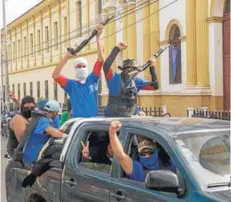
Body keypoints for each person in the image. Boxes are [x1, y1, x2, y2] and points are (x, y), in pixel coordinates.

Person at [52, 24, 104, 118]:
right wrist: (66, 57)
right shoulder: (71, 85)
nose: (82, 68)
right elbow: (55, 75)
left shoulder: (92, 79)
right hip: (78, 124)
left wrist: (98, 38)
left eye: (84, 66)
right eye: (79, 66)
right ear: (75, 68)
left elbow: (100, 59)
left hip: (94, 122)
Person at [103, 42, 159, 117]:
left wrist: (152, 66)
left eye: (134, 69)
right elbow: (106, 66)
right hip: (111, 118)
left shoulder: (137, 81)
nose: (131, 71)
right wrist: (117, 49)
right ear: (124, 70)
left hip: (128, 118)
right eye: (129, 69)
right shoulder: (114, 79)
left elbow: (155, 86)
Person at [108, 121, 176, 182]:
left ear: (156, 151)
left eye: (149, 151)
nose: (147, 155)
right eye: (143, 153)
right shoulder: (139, 171)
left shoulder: (168, 162)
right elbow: (121, 156)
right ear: (139, 154)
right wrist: (112, 134)